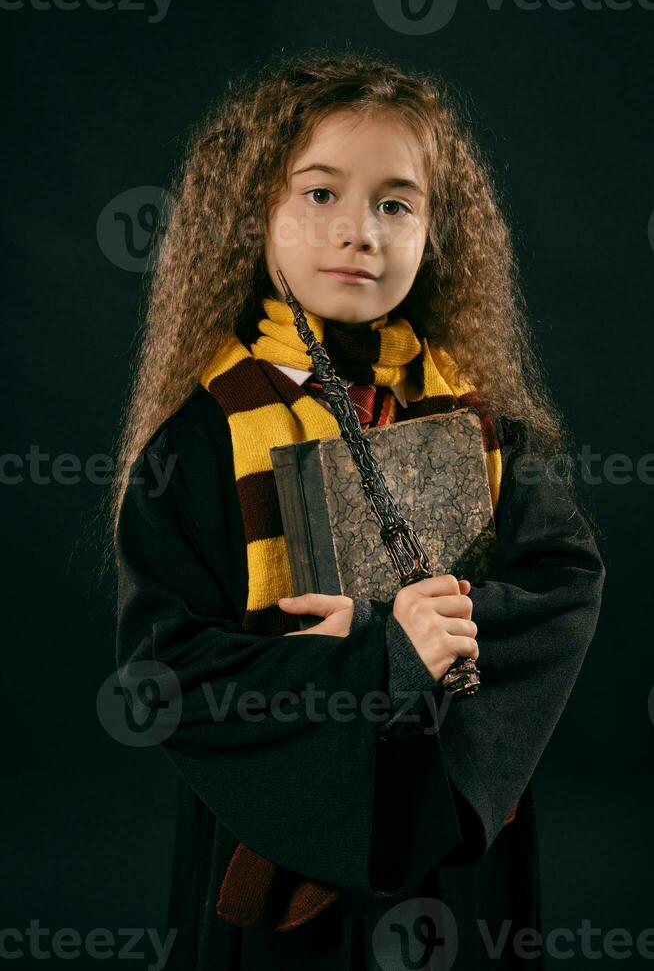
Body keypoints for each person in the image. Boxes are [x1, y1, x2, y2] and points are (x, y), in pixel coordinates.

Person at [108, 47, 606, 970]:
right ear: (254, 210)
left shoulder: (482, 421)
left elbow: (563, 587)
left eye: (395, 203)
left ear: (433, 228)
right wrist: (369, 656)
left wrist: (425, 628)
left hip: (452, 834)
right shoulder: (201, 443)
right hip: (278, 852)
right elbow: (164, 674)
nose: (359, 233)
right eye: (320, 193)